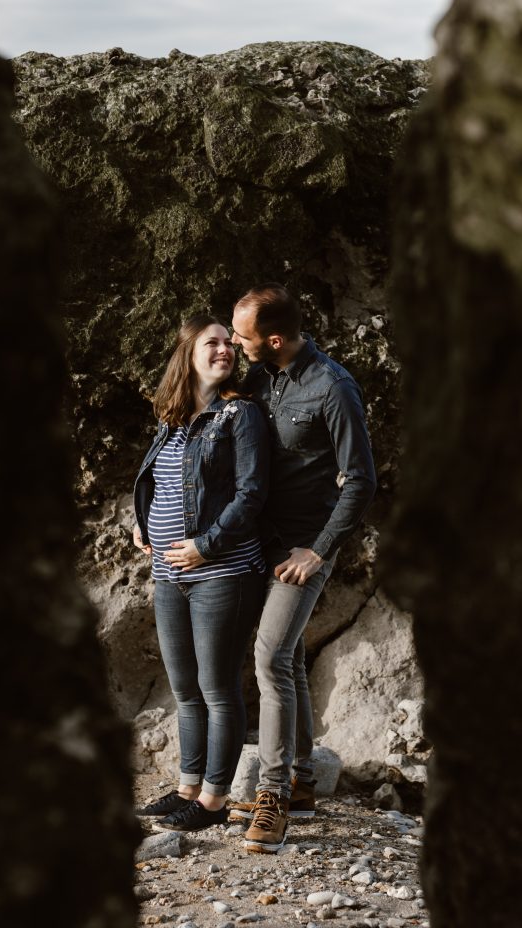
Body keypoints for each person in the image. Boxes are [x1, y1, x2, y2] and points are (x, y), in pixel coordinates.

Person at [229, 284, 377, 853]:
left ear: (272, 338)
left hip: (306, 547)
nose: (238, 344)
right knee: (286, 656)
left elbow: (360, 480)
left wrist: (317, 550)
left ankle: (271, 798)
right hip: (264, 542)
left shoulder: (333, 387)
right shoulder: (263, 377)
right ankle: (304, 781)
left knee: (268, 657)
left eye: (242, 336)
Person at [132, 314, 269, 832]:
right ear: (187, 354)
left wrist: (207, 547)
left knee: (217, 687)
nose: (224, 350)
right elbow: (160, 484)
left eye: (228, 344)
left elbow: (251, 494)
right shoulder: (172, 418)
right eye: (211, 343)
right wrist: (142, 525)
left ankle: (213, 802)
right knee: (183, 687)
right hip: (168, 573)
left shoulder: (241, 416)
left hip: (223, 570)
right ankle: (188, 786)